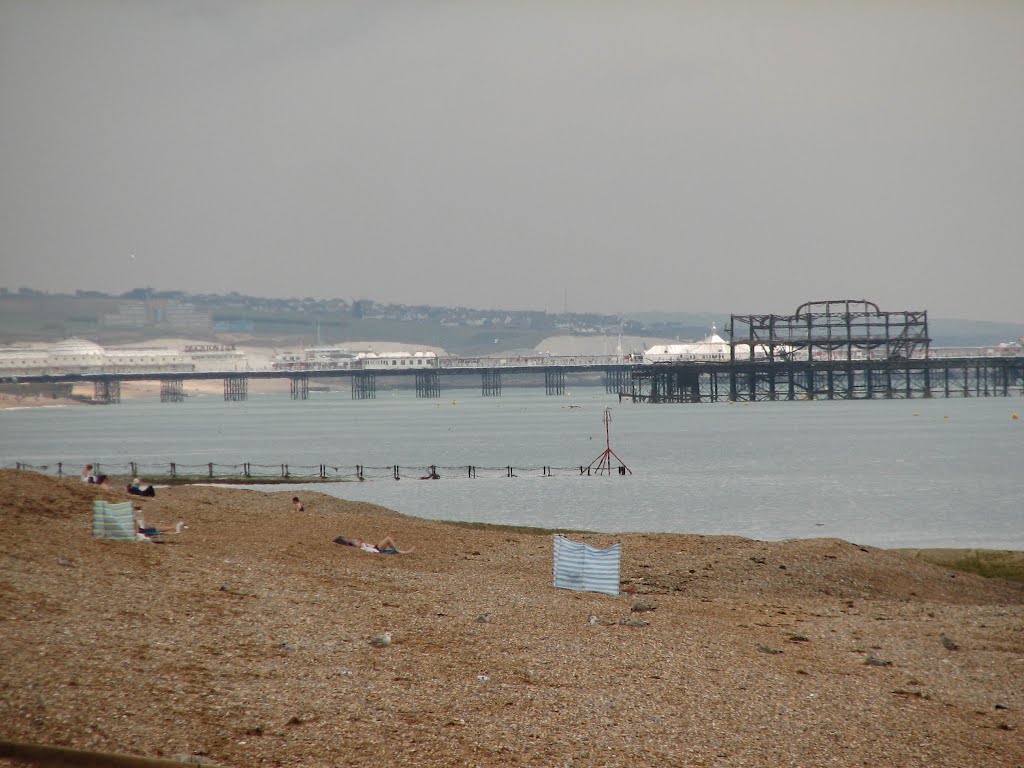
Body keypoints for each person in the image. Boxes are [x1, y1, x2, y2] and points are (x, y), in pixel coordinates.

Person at [333, 535, 414, 554]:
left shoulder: (350, 543)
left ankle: (401, 551)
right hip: (376, 549)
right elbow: (361, 546)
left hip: (374, 548)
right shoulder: (350, 544)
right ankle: (400, 552)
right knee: (388, 539)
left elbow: (362, 545)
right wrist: (362, 541)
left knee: (388, 541)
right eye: (344, 538)